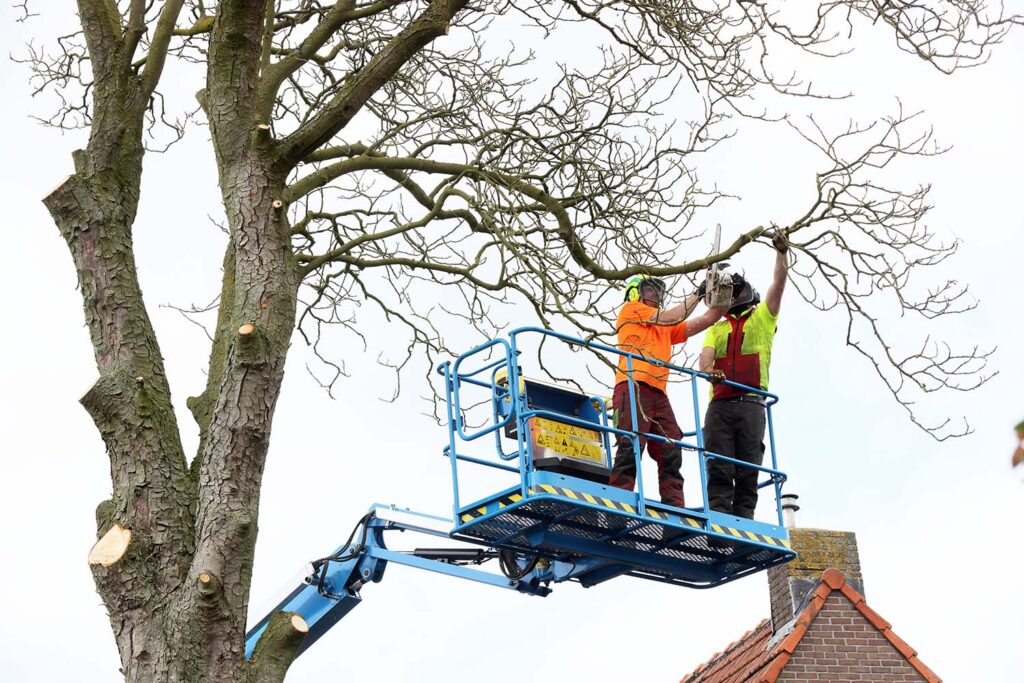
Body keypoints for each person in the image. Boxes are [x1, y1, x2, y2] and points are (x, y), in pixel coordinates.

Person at [610, 275, 723, 508]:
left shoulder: (663, 328)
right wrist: (699, 293)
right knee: (630, 444)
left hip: (658, 393)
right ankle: (617, 504)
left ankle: (674, 509)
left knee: (671, 449)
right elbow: (674, 316)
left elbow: (705, 320)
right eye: (649, 290)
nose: (656, 296)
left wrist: (722, 295)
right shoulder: (631, 310)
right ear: (634, 292)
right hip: (632, 386)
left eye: (657, 292)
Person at [699, 231, 789, 519]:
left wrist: (781, 253)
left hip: (751, 404)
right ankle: (719, 520)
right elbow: (705, 358)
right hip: (720, 406)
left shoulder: (763, 317)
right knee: (719, 467)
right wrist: (709, 372)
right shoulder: (717, 325)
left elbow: (779, 285)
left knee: (749, 467)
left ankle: (744, 521)